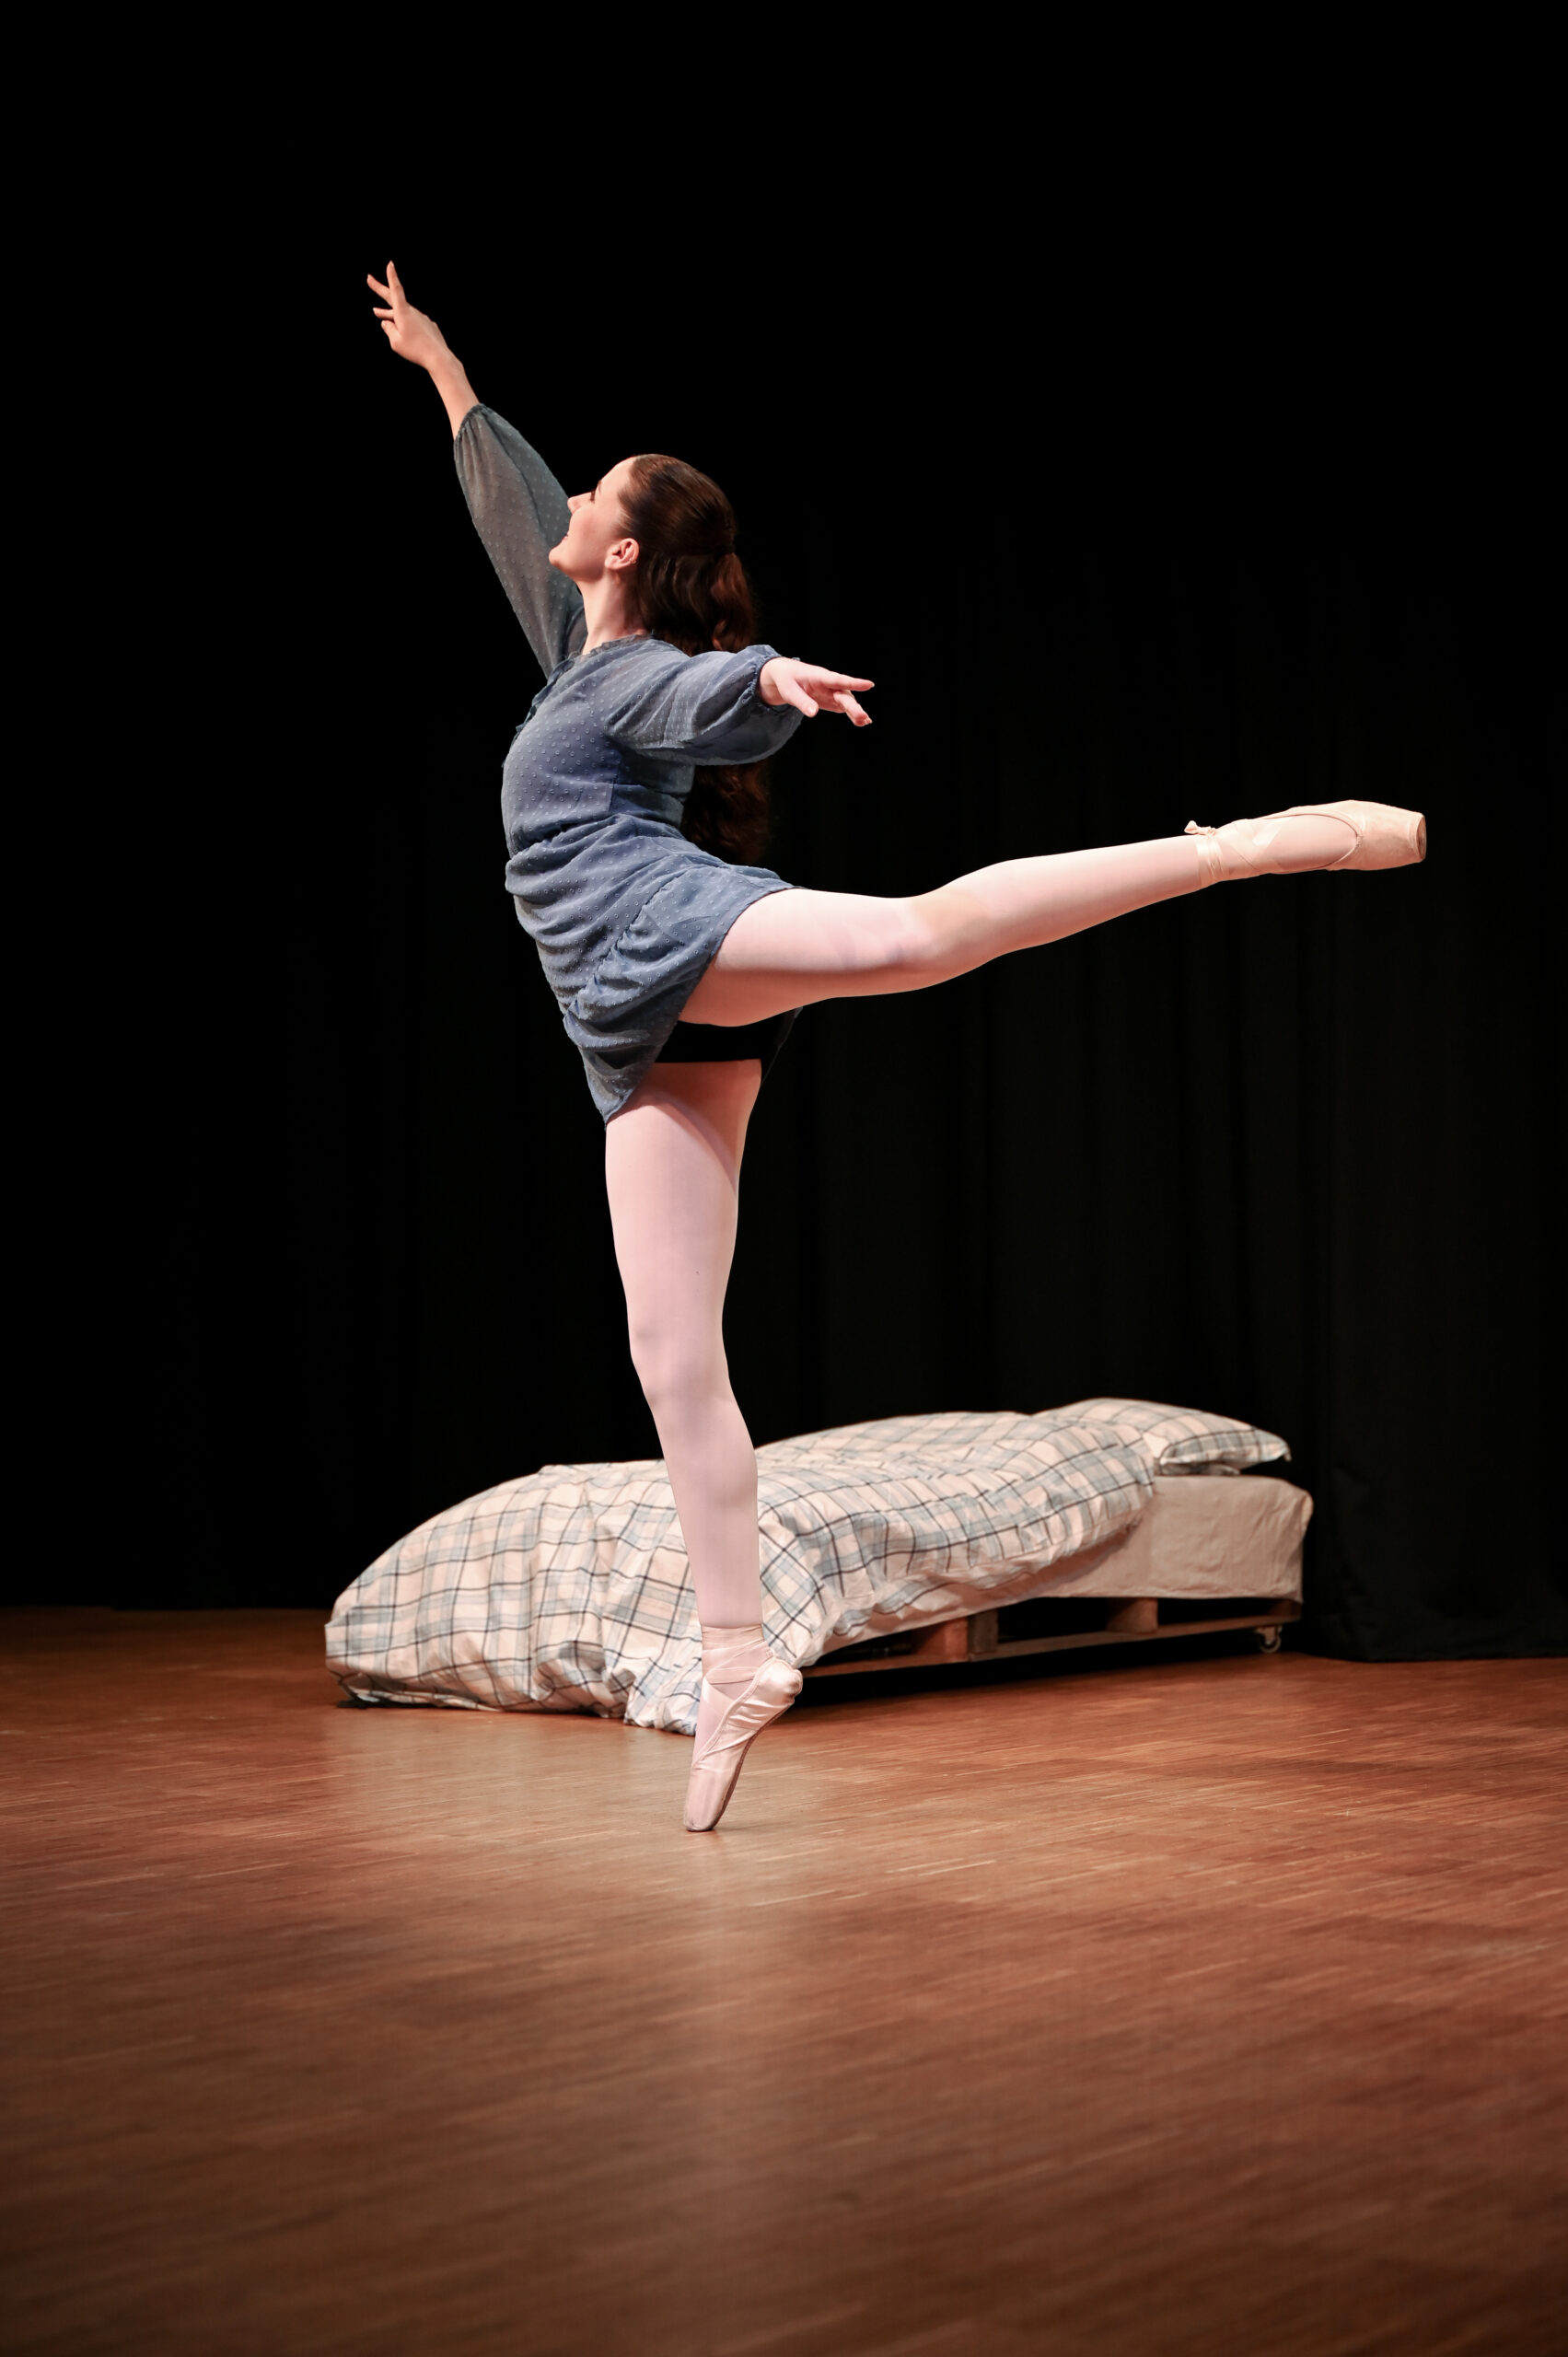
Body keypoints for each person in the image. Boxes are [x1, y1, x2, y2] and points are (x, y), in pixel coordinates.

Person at [369, 262, 1426, 1832]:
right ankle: (737, 1656)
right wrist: (449, 374)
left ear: (630, 549)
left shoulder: (641, 674)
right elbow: (510, 509)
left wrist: (767, 680)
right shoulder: (568, 647)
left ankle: (1242, 848)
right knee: (671, 1356)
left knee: (925, 937)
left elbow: (703, 695)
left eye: (596, 494)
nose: (569, 503)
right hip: (630, 1028)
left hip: (675, 934)